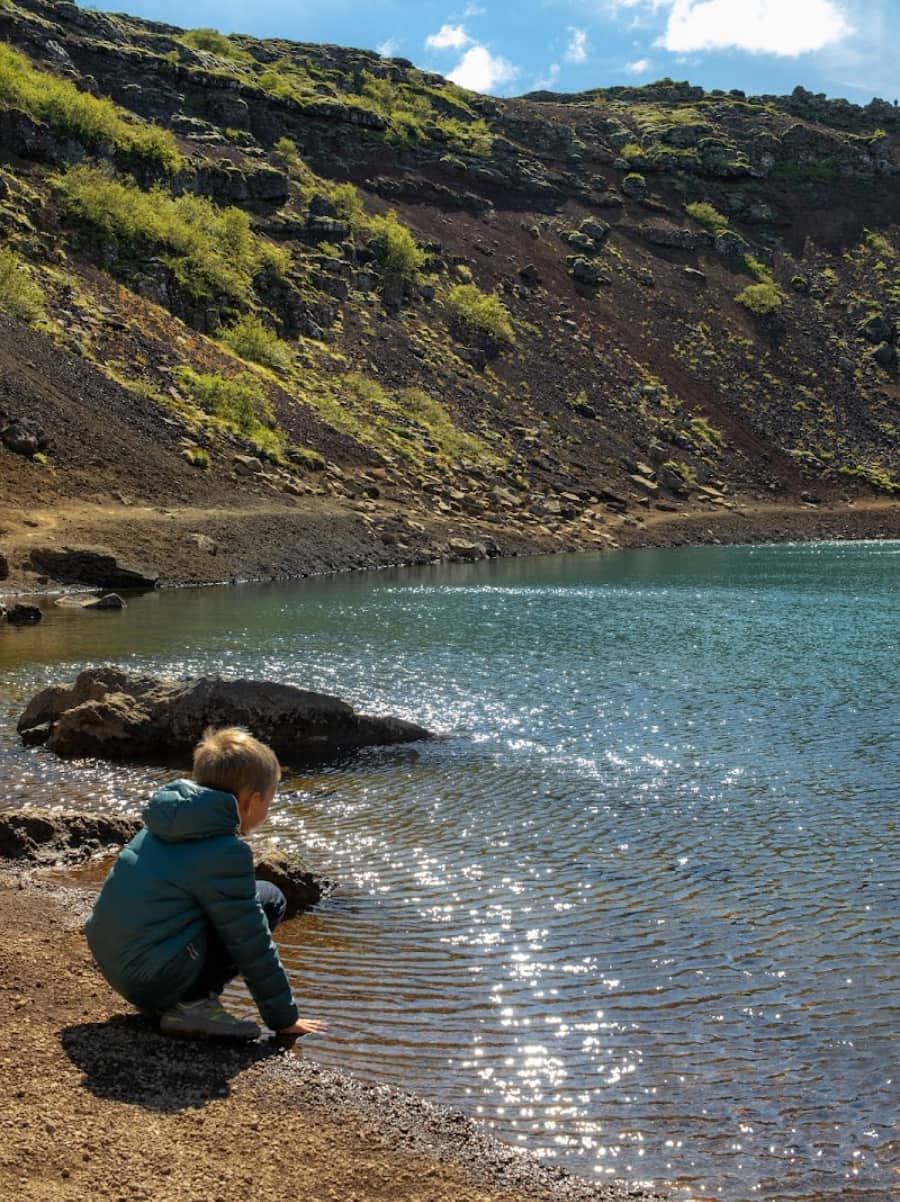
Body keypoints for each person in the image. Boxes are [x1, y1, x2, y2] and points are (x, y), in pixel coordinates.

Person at [85, 726, 327, 1042]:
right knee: (269, 900)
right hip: (149, 979)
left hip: (118, 966)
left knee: (230, 903)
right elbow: (250, 940)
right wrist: (284, 1018)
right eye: (269, 800)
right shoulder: (225, 851)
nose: (268, 810)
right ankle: (192, 1007)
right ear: (252, 802)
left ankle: (172, 1001)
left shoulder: (164, 823)